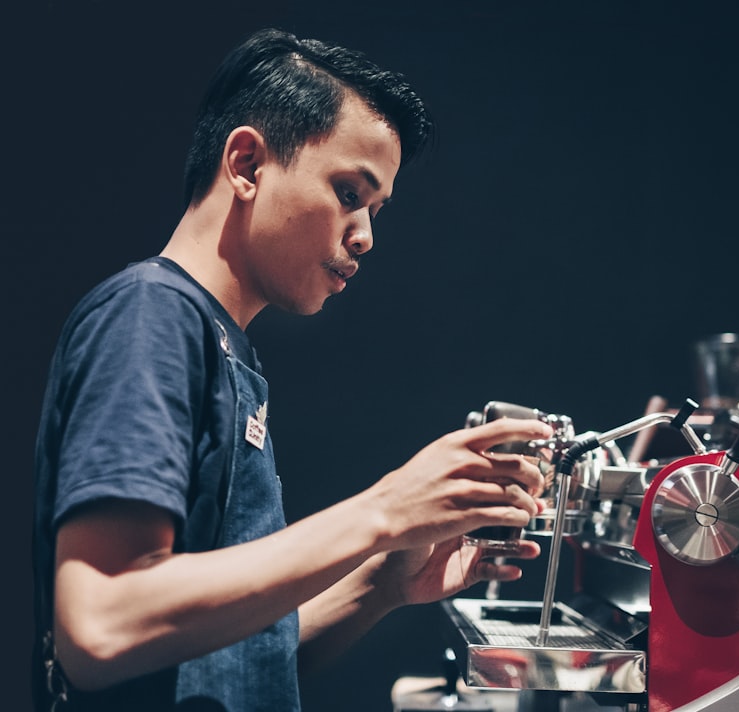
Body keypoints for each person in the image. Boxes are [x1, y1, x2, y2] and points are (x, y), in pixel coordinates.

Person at [32, 27, 551, 711]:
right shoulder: (150, 316)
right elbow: (101, 625)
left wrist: (385, 581)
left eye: (375, 208)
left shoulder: (222, 345)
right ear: (247, 162)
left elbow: (236, 662)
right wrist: (385, 511)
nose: (366, 235)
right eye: (348, 192)